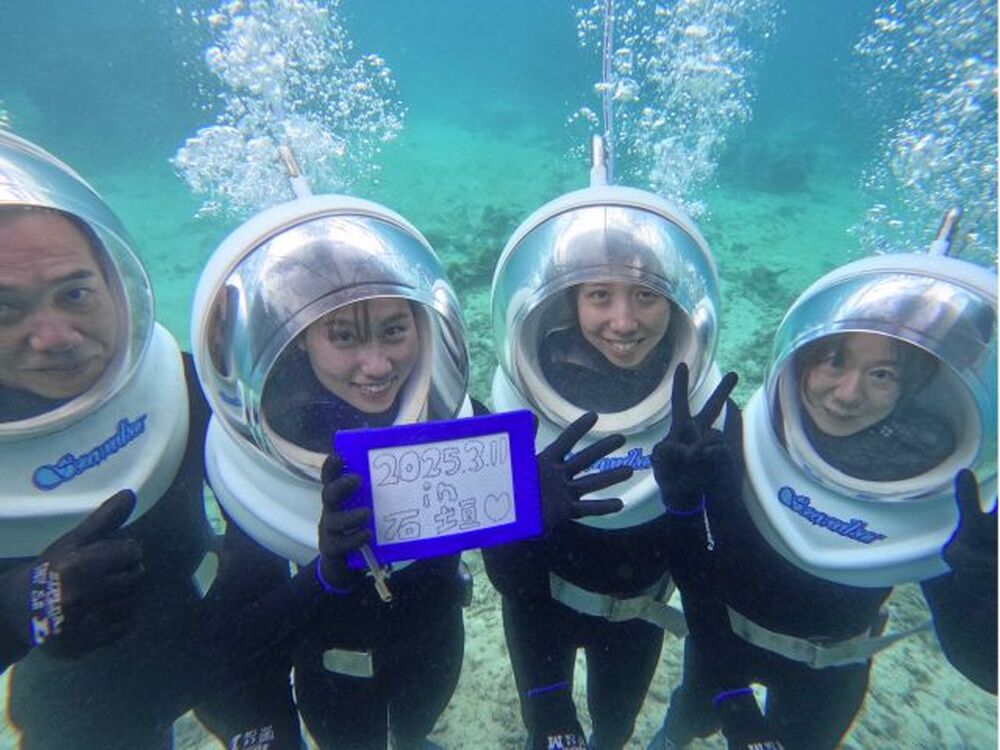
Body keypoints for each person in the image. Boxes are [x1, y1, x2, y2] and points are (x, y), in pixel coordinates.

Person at [191, 196, 629, 750]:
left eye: (395, 330)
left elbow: (512, 582)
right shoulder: (263, 456)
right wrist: (325, 574)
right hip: (334, 675)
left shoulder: (461, 419)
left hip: (435, 648)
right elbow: (233, 648)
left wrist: (530, 519)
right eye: (344, 336)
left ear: (423, 324)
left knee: (414, 732)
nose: (377, 366)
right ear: (300, 337)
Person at [648, 252, 997, 750]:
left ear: (912, 389)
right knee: (686, 720)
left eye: (882, 374)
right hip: (720, 643)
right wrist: (681, 498)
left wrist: (981, 589)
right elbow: (690, 561)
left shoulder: (943, 487)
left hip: (828, 674)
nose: (849, 393)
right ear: (803, 357)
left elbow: (984, 668)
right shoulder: (741, 437)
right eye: (835, 361)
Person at [485, 171, 725, 749]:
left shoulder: (704, 412)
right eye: (599, 295)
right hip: (539, 612)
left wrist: (688, 505)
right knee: (551, 736)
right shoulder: (516, 400)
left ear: (676, 302)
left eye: (646, 294)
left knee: (614, 731)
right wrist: (522, 515)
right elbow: (507, 580)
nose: (623, 322)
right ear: (568, 298)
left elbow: (709, 578)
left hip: (638, 617)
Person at [0, 132, 214, 749]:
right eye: (5, 309)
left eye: (75, 294)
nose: (54, 337)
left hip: (214, 629)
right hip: (82, 692)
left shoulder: (177, 379)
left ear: (116, 286)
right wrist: (17, 610)